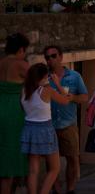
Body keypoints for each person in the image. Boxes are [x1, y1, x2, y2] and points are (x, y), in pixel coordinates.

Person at [20, 63, 72, 194]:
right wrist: (58, 83)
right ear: (44, 77)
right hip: (45, 128)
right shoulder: (47, 91)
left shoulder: (24, 90)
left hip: (29, 128)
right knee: (55, 168)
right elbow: (66, 100)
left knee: (33, 169)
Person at [43, 44, 88, 194]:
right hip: (49, 125)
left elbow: (84, 97)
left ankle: (70, 189)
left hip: (68, 124)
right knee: (51, 162)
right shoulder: (43, 78)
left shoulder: (74, 77)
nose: (50, 60)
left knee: (73, 159)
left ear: (61, 57)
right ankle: (56, 189)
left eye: (53, 56)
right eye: (47, 57)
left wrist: (73, 97)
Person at [0, 32, 29, 194]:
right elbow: (38, 84)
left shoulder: (1, 62)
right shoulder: (21, 64)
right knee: (11, 158)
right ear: (21, 49)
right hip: (13, 112)